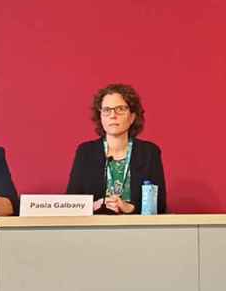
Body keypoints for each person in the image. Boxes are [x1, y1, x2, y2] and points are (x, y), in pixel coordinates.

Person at [66, 83, 167, 214]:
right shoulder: (86, 152)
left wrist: (129, 207)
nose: (113, 115)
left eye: (120, 109)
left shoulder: (148, 153)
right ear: (100, 117)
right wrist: (94, 205)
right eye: (106, 110)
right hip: (93, 229)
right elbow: (71, 202)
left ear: (132, 117)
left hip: (137, 229)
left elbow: (159, 204)